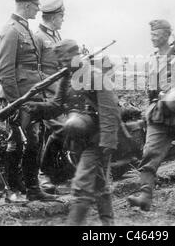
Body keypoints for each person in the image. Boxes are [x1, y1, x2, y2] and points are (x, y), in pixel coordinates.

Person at [22, 39, 120, 225]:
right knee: (99, 182)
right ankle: (109, 223)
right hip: (77, 139)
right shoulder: (67, 77)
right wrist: (36, 107)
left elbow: (110, 111)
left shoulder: (95, 76)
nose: (64, 65)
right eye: (62, 62)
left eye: (67, 60)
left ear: (77, 56)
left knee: (82, 184)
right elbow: (56, 106)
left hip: (97, 139)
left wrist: (108, 142)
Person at [127, 19, 175, 209]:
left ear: (166, 35)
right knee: (149, 153)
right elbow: (150, 88)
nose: (152, 38)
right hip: (159, 114)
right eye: (151, 34)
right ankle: (145, 195)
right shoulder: (152, 58)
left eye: (156, 34)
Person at [0, 0, 57, 201]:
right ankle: (14, 189)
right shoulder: (11, 30)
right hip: (19, 98)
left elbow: (33, 67)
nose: (38, 8)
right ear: (25, 5)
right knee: (18, 140)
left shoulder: (25, 29)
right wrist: (14, 104)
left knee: (33, 139)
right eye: (35, 5)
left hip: (30, 96)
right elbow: (6, 70)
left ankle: (29, 188)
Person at [34, 0, 65, 193]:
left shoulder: (56, 36)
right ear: (53, 17)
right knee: (61, 129)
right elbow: (34, 69)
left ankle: (57, 172)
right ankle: (43, 174)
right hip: (46, 95)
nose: (63, 20)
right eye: (61, 16)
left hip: (59, 94)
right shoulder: (37, 38)